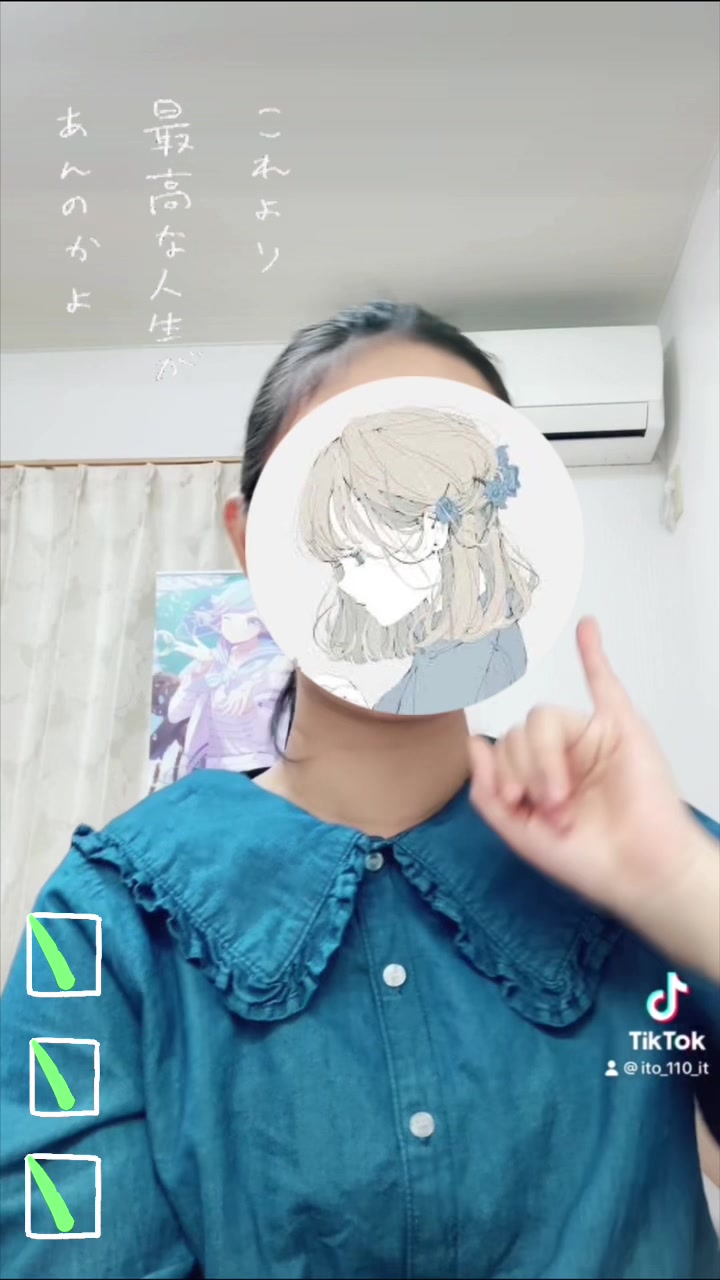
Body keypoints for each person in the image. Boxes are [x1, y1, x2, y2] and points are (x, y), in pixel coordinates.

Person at [1, 300, 718, 1280]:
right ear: (251, 540)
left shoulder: (643, 853)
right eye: (363, 515)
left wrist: (682, 888)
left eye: (447, 511)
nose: (410, 555)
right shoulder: (105, 919)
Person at [297, 406, 538, 714]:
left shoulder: (471, 664)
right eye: (337, 564)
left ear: (432, 528)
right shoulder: (452, 645)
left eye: (357, 556)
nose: (344, 582)